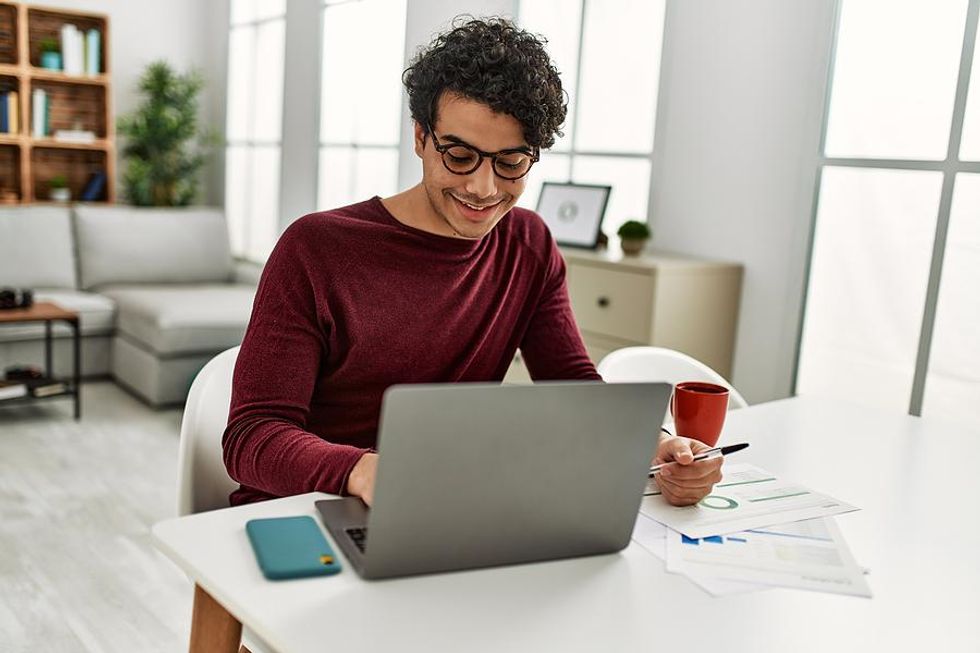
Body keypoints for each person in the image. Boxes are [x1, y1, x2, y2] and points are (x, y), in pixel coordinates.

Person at [222, 17, 722, 509]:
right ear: (420, 137)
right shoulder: (317, 249)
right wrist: (362, 470)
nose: (483, 189)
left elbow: (573, 386)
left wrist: (655, 446)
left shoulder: (528, 245)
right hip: (303, 509)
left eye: (510, 163)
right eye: (459, 155)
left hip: (442, 505)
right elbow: (252, 436)